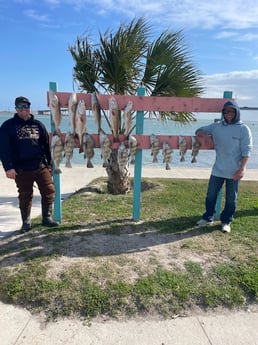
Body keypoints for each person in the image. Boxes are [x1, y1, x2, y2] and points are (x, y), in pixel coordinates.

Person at [0, 96, 59, 233]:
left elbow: (46, 145)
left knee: (49, 191)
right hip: (21, 169)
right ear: (16, 109)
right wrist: (8, 168)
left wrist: (49, 163)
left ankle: (46, 217)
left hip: (40, 166)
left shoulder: (39, 125)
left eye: (26, 106)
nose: (23, 110)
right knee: (25, 195)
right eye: (20, 107)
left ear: (30, 108)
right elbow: (3, 149)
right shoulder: (7, 126)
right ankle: (26, 222)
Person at [195, 100, 252, 233]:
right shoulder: (216, 126)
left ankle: (226, 221)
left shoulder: (243, 129)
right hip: (218, 169)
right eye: (226, 111)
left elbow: (247, 151)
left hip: (235, 171)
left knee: (231, 199)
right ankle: (208, 217)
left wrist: (242, 168)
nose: (229, 114)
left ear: (237, 112)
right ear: (223, 113)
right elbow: (199, 130)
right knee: (211, 195)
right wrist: (207, 136)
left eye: (232, 111)